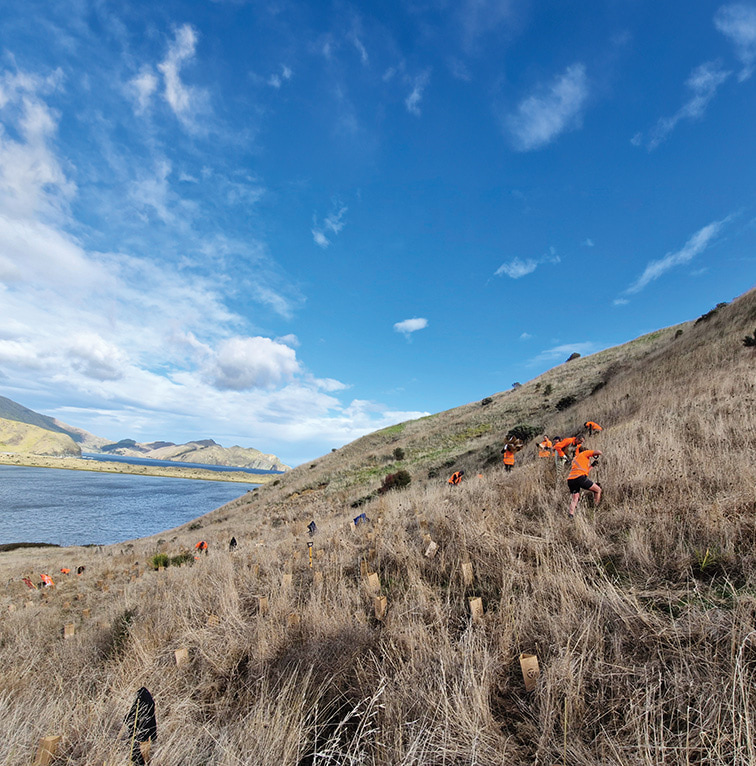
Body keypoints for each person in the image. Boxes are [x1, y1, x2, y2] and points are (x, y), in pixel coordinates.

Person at [566, 448, 602, 517]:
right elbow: (599, 452)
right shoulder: (585, 453)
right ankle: (596, 509)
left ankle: (571, 514)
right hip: (580, 478)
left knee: (575, 498)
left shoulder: (575, 459)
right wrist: (595, 454)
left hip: (570, 479)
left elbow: (584, 471)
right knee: (598, 490)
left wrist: (592, 466)